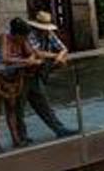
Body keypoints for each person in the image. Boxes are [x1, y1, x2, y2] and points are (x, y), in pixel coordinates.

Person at [20, 10, 78, 139]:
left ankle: (59, 129)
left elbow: (63, 48)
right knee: (19, 108)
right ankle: (21, 136)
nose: (46, 31)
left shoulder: (49, 34)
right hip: (23, 74)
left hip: (36, 74)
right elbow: (37, 52)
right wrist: (55, 55)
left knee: (42, 104)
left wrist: (61, 56)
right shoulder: (30, 34)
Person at [0, 18, 41, 153]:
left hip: (12, 77)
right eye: (23, 36)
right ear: (17, 34)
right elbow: (4, 58)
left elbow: (32, 54)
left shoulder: (22, 41)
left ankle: (15, 138)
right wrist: (25, 60)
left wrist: (31, 58)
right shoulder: (4, 38)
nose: (24, 39)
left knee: (11, 108)